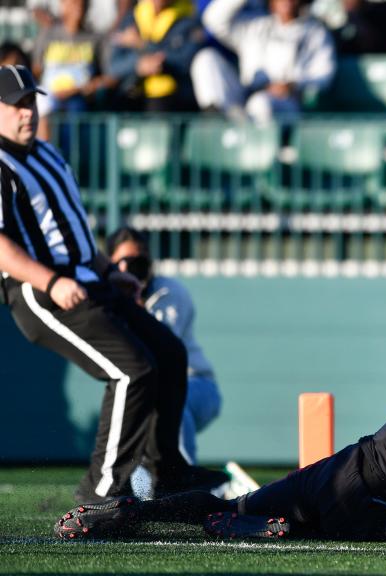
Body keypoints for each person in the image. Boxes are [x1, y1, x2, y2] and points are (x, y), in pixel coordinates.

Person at [54, 219, 386, 543]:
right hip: (376, 505)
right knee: (253, 515)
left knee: (241, 506)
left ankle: (131, 514)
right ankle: (206, 524)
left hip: (358, 479)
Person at [0, 65, 227, 504]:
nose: (28, 112)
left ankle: (166, 473)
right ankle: (101, 492)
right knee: (131, 372)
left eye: (32, 101)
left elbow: (73, 233)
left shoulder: (47, 154)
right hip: (41, 291)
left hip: (88, 279)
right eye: (17, 104)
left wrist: (108, 270)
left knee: (168, 353)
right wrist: (52, 281)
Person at [106, 227, 221, 466]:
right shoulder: (107, 295)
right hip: (144, 389)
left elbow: (162, 352)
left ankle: (185, 479)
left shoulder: (170, 291)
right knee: (135, 429)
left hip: (196, 384)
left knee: (167, 402)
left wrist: (134, 303)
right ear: (112, 264)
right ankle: (140, 495)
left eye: (141, 261)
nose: (134, 268)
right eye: (126, 261)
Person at [191, 0, 336, 122]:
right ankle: (217, 121)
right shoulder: (256, 25)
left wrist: (292, 85)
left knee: (260, 103)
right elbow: (213, 19)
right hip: (244, 100)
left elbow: (323, 76)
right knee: (206, 58)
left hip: (286, 103)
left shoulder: (316, 32)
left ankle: (259, 149)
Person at [32, 0, 115, 141]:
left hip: (80, 101)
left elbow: (109, 76)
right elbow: (36, 69)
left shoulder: (96, 39)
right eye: (73, 3)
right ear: (62, 5)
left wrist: (91, 87)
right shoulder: (47, 35)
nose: (78, 8)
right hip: (50, 100)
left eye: (81, 4)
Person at [108, 0, 205, 112]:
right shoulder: (131, 19)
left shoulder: (188, 19)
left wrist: (141, 45)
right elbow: (113, 66)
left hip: (172, 99)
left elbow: (186, 61)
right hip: (132, 96)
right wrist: (138, 65)